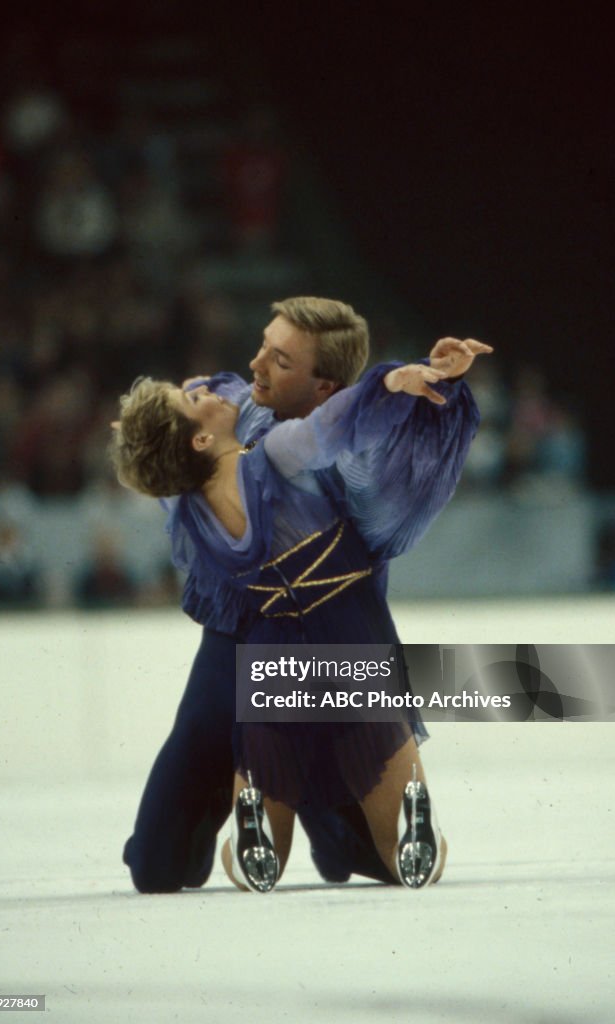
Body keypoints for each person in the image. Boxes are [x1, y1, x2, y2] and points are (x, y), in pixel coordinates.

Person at [119, 297, 489, 892]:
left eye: (279, 358)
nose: (251, 367)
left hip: (293, 633)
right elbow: (334, 420)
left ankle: (283, 831)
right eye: (264, 345)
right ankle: (353, 826)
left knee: (293, 759)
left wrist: (413, 377)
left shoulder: (225, 474)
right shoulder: (262, 446)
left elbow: (343, 423)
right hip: (303, 630)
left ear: (322, 384)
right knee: (343, 762)